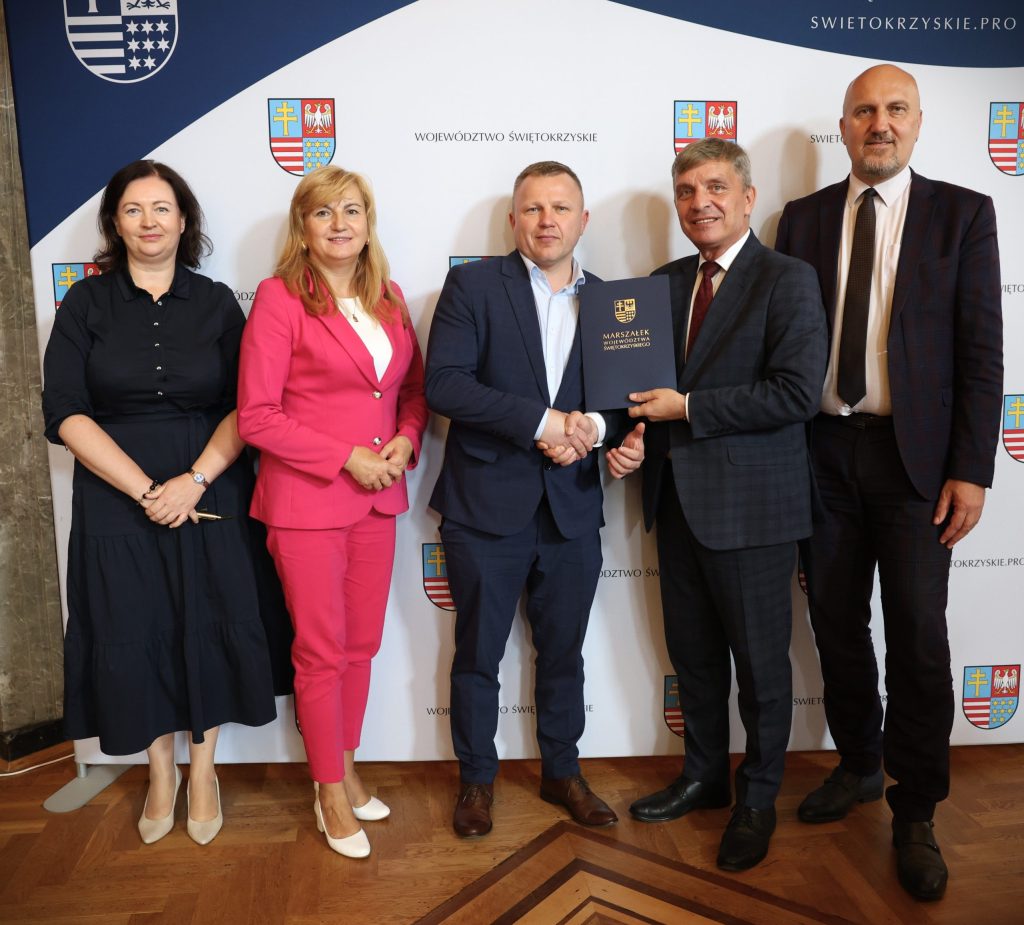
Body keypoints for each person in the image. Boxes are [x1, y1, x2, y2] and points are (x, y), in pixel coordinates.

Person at [775, 64, 1003, 901]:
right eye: (865, 110)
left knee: (917, 636)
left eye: (895, 109)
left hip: (917, 466)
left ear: (917, 122)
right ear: (843, 126)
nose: (880, 123)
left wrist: (970, 469)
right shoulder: (800, 219)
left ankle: (917, 808)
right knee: (836, 625)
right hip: (821, 455)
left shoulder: (963, 214)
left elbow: (982, 351)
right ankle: (861, 762)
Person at [42, 160, 283, 846]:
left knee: (208, 622)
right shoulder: (85, 304)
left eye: (162, 208)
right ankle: (159, 772)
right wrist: (147, 490)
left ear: (184, 221)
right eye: (133, 209)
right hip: (115, 495)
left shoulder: (216, 302)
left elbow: (247, 405)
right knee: (134, 628)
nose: (149, 221)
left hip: (209, 486)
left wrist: (193, 481)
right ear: (115, 224)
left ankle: (203, 771)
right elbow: (65, 411)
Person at [425, 161, 645, 838]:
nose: (548, 220)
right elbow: (446, 385)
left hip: (572, 507)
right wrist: (545, 423)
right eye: (533, 208)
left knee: (564, 653)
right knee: (477, 655)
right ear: (513, 220)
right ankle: (476, 780)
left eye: (561, 207)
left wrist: (598, 432)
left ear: (583, 220)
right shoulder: (471, 286)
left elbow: (626, 399)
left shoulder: (613, 301)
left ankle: (562, 771)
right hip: (484, 506)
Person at [626, 139, 827, 871]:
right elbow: (639, 391)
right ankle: (704, 776)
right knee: (695, 658)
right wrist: (629, 438)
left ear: (747, 197)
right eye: (685, 191)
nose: (699, 202)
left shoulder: (788, 278)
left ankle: (758, 798)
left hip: (754, 508)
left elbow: (795, 393)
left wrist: (688, 408)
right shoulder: (662, 284)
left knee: (762, 669)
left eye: (714, 187)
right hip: (676, 501)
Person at [237, 165, 428, 859]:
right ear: (303, 227)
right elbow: (257, 416)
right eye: (324, 212)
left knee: (360, 647)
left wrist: (407, 437)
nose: (340, 223)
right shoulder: (280, 297)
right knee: (320, 653)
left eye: (352, 210)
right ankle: (327, 792)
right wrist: (346, 457)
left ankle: (346, 766)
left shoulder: (390, 296)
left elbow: (412, 390)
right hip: (307, 504)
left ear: (368, 223)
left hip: (379, 500)